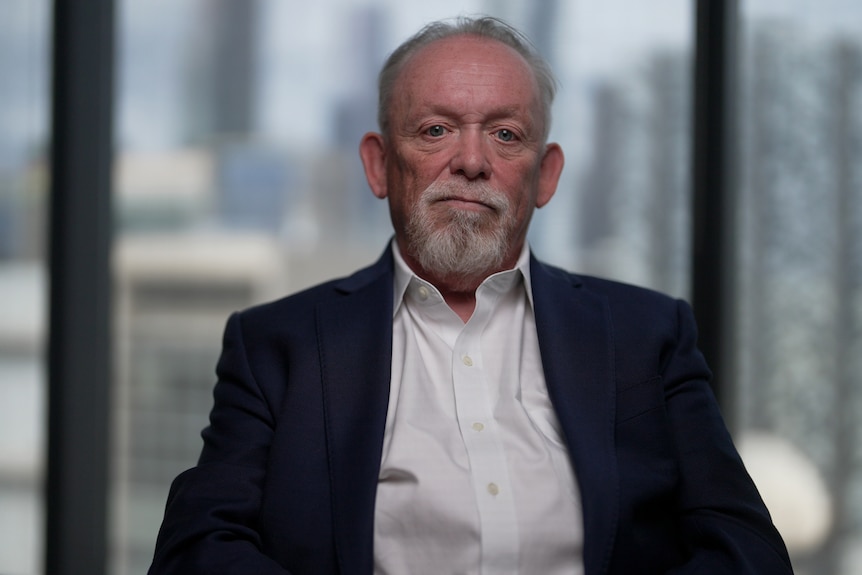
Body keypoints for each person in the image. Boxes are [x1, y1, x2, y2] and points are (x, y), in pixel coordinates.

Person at [148, 15, 793, 575]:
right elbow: (195, 550)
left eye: (506, 135)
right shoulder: (275, 348)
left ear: (545, 175)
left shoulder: (648, 336)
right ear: (378, 165)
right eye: (435, 130)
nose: (472, 161)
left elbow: (748, 552)